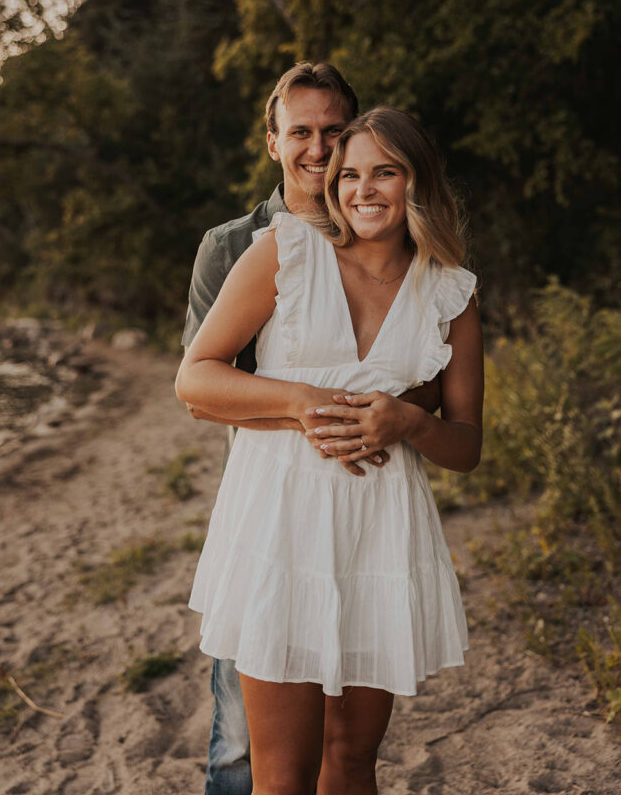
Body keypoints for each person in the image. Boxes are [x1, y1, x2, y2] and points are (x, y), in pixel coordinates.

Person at [176, 106, 484, 795]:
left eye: (385, 172)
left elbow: (465, 445)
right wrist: (298, 402)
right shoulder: (285, 251)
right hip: (280, 526)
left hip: (379, 535)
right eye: (348, 175)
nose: (362, 190)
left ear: (417, 183)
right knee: (280, 777)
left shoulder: (450, 294)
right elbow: (195, 378)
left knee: (350, 763)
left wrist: (407, 422)